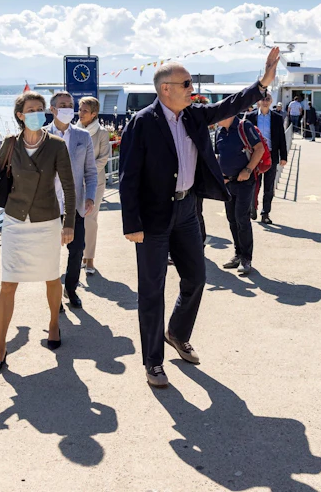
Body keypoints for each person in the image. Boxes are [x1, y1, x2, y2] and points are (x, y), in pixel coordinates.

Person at [120, 46, 281, 388]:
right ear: (166, 89)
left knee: (195, 278)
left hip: (187, 210)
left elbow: (230, 106)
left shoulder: (193, 114)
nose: (192, 89)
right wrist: (131, 224)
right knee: (152, 291)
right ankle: (153, 362)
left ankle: (176, 332)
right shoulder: (142, 123)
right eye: (187, 83)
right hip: (152, 217)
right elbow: (128, 176)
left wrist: (262, 82)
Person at [0, 92, 76, 373]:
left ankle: (54, 324)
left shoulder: (56, 145)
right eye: (31, 109)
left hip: (46, 221)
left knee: (52, 278)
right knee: (8, 283)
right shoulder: (10, 143)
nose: (37, 113)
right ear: (20, 115)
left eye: (41, 109)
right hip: (16, 221)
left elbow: (68, 186)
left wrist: (69, 224)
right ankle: (1, 345)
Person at [47, 92, 97, 309]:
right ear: (53, 110)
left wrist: (90, 197)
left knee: (76, 250)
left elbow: (91, 172)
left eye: (70, 105)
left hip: (74, 205)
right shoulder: (41, 136)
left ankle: (71, 288)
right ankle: (54, 293)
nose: (67, 108)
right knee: (50, 253)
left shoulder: (82, 137)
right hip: (48, 206)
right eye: (62, 105)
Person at [215, 114, 265, 276]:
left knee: (241, 218)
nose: (215, 119)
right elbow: (218, 155)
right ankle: (238, 254)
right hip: (228, 183)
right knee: (231, 218)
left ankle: (246, 258)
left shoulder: (245, 127)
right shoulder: (219, 131)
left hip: (245, 182)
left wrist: (248, 170)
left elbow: (260, 149)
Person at [75, 96, 112, 276]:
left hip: (94, 183)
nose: (80, 113)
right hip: (75, 183)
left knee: (90, 220)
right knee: (76, 220)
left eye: (84, 111)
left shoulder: (102, 134)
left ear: (94, 114)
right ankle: (79, 255)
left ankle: (89, 258)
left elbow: (103, 159)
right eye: (79, 109)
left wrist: (85, 174)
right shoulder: (73, 131)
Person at [246, 94, 289, 224]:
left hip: (271, 155)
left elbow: (281, 137)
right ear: (258, 101)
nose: (265, 102)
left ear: (271, 102)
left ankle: (265, 213)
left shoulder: (277, 117)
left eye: (268, 99)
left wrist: (284, 156)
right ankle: (252, 207)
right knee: (253, 184)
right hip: (254, 156)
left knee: (269, 186)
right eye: (263, 99)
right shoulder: (250, 117)